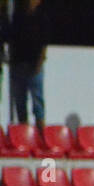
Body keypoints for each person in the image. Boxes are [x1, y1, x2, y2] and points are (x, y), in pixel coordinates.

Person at [2, 0, 49, 131]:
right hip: (18, 64)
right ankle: (23, 133)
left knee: (37, 102)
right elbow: (9, 35)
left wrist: (39, 64)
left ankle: (41, 134)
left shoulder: (41, 17)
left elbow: (44, 42)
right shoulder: (18, 16)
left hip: (34, 65)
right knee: (20, 102)